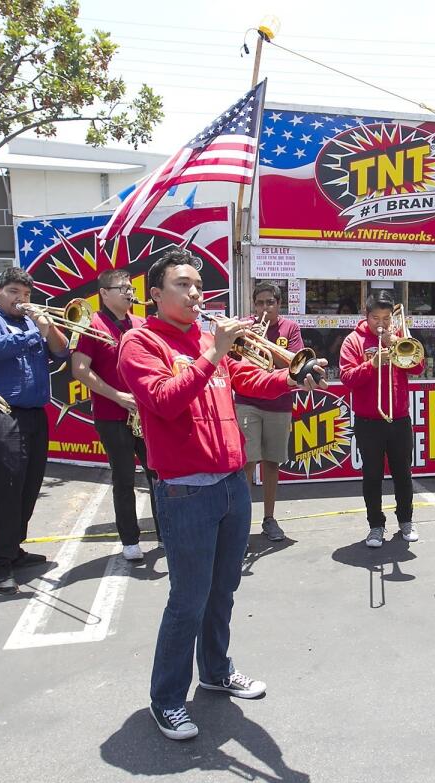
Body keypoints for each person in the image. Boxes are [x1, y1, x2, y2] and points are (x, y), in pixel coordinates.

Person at [118, 250, 327, 741]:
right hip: (185, 490)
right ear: (155, 293)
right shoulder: (139, 342)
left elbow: (248, 378)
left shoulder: (206, 339)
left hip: (232, 484)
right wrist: (212, 351)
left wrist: (292, 377)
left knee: (223, 591)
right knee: (187, 600)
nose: (195, 293)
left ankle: (215, 670)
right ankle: (166, 699)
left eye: (198, 285)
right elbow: (165, 402)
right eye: (182, 285)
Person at [0, 267, 70, 595]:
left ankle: (13, 548)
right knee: (4, 489)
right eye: (13, 293)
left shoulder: (31, 323)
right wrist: (36, 332)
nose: (21, 300)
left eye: (25, 295)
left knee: (28, 485)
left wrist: (48, 330)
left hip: (32, 414)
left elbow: (63, 351)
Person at [71, 269, 158, 562]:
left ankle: (166, 535)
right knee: (124, 479)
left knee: (158, 474)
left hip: (144, 413)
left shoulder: (141, 323)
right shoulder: (92, 324)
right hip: (112, 415)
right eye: (121, 288)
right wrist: (118, 396)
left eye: (130, 287)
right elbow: (80, 370)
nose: (129, 293)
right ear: (103, 294)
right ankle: (130, 541)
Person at [338, 291, 425, 548]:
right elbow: (346, 378)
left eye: (386, 318)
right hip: (368, 420)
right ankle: (375, 526)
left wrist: (394, 342)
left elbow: (418, 368)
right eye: (376, 318)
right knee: (372, 476)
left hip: (399, 418)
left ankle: (406, 521)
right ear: (366, 316)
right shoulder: (353, 341)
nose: (381, 324)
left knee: (403, 474)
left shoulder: (399, 338)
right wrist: (372, 364)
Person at [235, 281, 304, 541]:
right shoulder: (244, 326)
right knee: (247, 462)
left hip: (278, 402)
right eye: (260, 303)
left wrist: (265, 345)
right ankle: (240, 523)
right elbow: (233, 360)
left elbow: (294, 363)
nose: (265, 308)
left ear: (279, 305)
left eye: (270, 303)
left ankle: (269, 518)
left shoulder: (290, 328)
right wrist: (248, 339)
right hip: (247, 400)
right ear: (254, 305)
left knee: (272, 462)